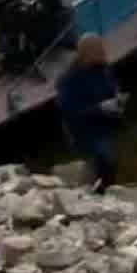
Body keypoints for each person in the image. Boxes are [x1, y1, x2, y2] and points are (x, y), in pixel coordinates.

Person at [56, 34, 123, 193]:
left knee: (111, 159)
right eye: (99, 51)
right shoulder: (69, 80)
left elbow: (112, 87)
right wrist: (99, 108)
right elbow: (70, 113)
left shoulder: (104, 69)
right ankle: (103, 192)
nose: (103, 54)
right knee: (105, 159)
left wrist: (117, 99)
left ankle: (110, 187)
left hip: (105, 122)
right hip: (85, 129)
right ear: (87, 53)